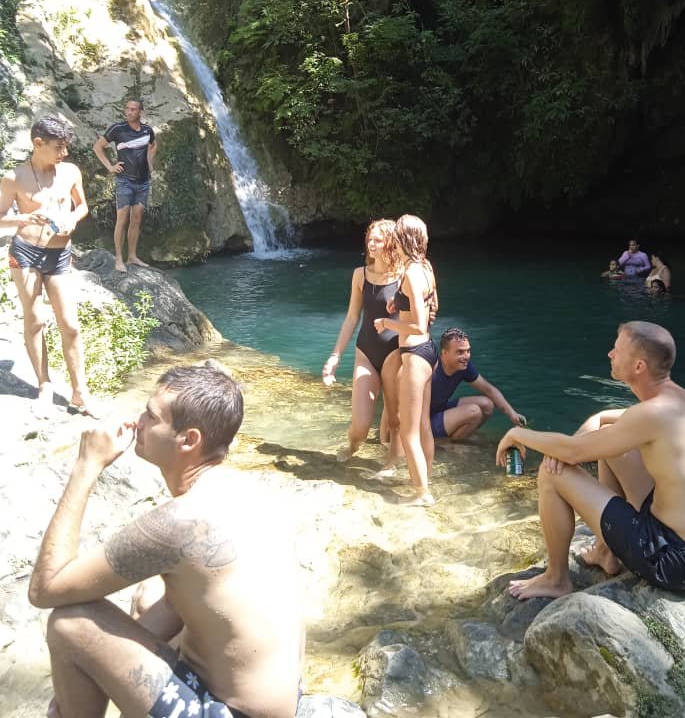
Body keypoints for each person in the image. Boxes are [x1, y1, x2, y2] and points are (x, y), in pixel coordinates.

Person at [28, 362, 304, 718]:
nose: (138, 421)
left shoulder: (180, 522)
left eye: (151, 416)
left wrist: (87, 466)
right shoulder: (248, 491)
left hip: (230, 714)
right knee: (151, 597)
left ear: (189, 440)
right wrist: (93, 670)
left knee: (71, 623)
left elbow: (46, 589)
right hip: (279, 703)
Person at [496, 321, 685, 599]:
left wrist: (518, 434)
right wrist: (584, 433)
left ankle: (556, 579)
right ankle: (605, 551)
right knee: (610, 442)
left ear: (639, 367)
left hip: (676, 562)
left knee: (551, 474)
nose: (610, 354)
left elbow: (572, 452)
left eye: (617, 350)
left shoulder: (652, 414)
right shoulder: (681, 401)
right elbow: (605, 422)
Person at [0, 115, 95, 416]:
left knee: (70, 324)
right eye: (58, 147)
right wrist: (23, 218)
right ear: (38, 143)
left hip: (59, 254)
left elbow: (82, 206)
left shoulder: (70, 172)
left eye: (65, 147)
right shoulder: (15, 178)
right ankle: (44, 385)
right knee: (36, 319)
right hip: (25, 253)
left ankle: (80, 392)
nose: (63, 153)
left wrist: (71, 219)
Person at [322, 219, 402, 462]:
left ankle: (391, 463)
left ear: (390, 243)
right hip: (366, 351)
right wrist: (335, 356)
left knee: (395, 421)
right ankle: (353, 445)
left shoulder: (404, 276)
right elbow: (351, 318)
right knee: (360, 425)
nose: (371, 243)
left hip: (394, 352)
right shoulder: (360, 275)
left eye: (378, 239)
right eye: (370, 238)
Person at [374, 214, 439, 506]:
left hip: (414, 353)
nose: (393, 240)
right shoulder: (423, 267)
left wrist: (388, 324)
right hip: (428, 352)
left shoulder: (412, 273)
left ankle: (422, 493)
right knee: (423, 425)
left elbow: (420, 325)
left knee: (410, 431)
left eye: (396, 234)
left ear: (404, 238)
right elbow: (422, 305)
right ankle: (425, 478)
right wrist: (396, 303)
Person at [93, 98, 156, 273]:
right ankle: (119, 259)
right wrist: (110, 167)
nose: (129, 112)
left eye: (133, 109)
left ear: (140, 112)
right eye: (127, 109)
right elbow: (97, 147)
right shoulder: (117, 129)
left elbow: (153, 145)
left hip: (143, 181)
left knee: (136, 219)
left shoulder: (147, 131)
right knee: (122, 219)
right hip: (124, 180)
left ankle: (132, 256)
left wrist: (150, 163)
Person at [430, 327, 526, 440]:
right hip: (426, 422)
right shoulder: (432, 369)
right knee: (474, 411)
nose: (466, 356)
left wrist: (512, 414)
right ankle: (450, 444)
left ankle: (459, 435)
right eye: (460, 352)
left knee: (487, 404)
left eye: (468, 351)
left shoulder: (463, 367)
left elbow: (488, 389)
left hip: (441, 409)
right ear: (444, 353)